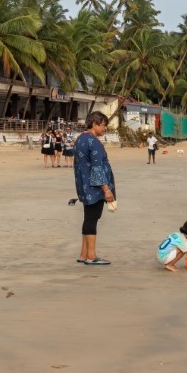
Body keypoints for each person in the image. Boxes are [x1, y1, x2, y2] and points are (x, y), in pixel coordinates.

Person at [73, 111, 116, 265]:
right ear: (95, 124)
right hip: (95, 188)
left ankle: (83, 254)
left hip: (83, 185)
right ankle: (91, 256)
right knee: (92, 219)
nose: (105, 128)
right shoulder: (93, 141)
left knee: (88, 218)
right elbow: (97, 168)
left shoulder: (80, 139)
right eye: (103, 125)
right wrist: (106, 190)